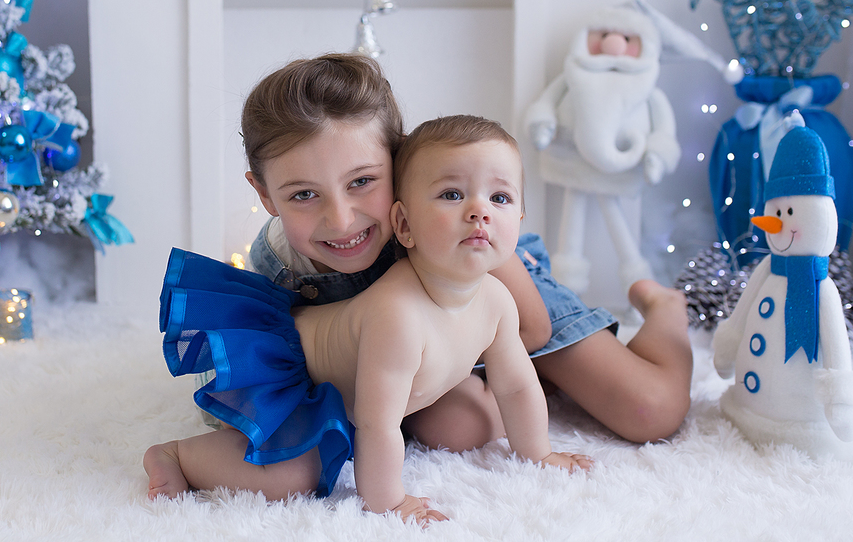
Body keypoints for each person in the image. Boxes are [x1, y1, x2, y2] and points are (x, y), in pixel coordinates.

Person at [145, 116, 591, 523]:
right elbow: (377, 422)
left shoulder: (497, 300)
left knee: (469, 425)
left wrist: (539, 454)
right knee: (296, 476)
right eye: (452, 195)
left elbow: (516, 385)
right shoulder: (398, 314)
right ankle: (175, 456)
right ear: (404, 225)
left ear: (519, 219)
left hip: (368, 396)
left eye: (500, 198)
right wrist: (389, 501)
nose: (480, 211)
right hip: (281, 378)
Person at [240, 53, 693, 449]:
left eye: (362, 181)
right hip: (427, 355)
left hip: (508, 311)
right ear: (264, 194)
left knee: (649, 410)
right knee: (457, 427)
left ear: (399, 164)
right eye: (303, 195)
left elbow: (532, 329)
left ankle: (665, 308)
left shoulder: (459, 229)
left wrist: (480, 365)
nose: (341, 221)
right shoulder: (277, 269)